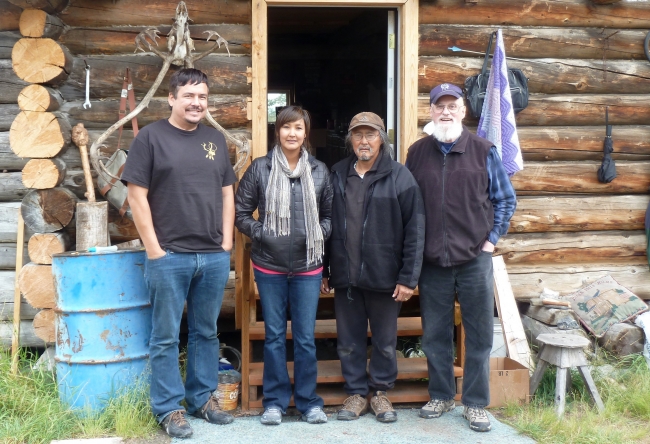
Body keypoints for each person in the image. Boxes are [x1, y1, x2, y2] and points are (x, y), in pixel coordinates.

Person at [122, 68, 237, 439]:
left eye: (202, 96)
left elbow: (226, 192)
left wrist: (226, 245)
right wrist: (154, 250)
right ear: (171, 98)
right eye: (188, 96)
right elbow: (135, 195)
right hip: (168, 255)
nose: (196, 102)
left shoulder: (215, 140)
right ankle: (169, 409)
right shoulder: (150, 139)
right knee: (166, 336)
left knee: (205, 332)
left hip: (212, 256)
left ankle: (201, 400)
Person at [406, 83, 517, 433]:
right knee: (435, 334)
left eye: (452, 106)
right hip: (433, 262)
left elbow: (505, 200)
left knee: (480, 334)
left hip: (474, 260)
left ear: (464, 110)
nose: (446, 112)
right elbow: (408, 206)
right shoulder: (416, 153)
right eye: (439, 107)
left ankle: (474, 403)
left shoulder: (484, 150)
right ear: (430, 112)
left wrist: (491, 241)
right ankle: (440, 395)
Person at [322, 112, 425, 423]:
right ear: (350, 140)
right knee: (349, 341)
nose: (363, 141)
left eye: (370, 135)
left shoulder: (399, 176)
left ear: (382, 138)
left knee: (384, 340)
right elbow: (326, 225)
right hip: (346, 276)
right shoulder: (338, 174)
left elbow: (416, 229)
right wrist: (325, 268)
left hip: (385, 277)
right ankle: (355, 393)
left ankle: (379, 393)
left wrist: (408, 278)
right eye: (357, 135)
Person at [235, 106, 333, 425]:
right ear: (277, 131)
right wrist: (262, 233)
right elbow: (241, 213)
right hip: (269, 266)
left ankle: (308, 402)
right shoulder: (260, 169)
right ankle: (274, 402)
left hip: (308, 266)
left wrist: (319, 232)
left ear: (306, 133)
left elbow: (330, 216)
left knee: (305, 337)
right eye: (286, 127)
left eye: (299, 128)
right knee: (275, 335)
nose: (292, 133)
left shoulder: (319, 170)